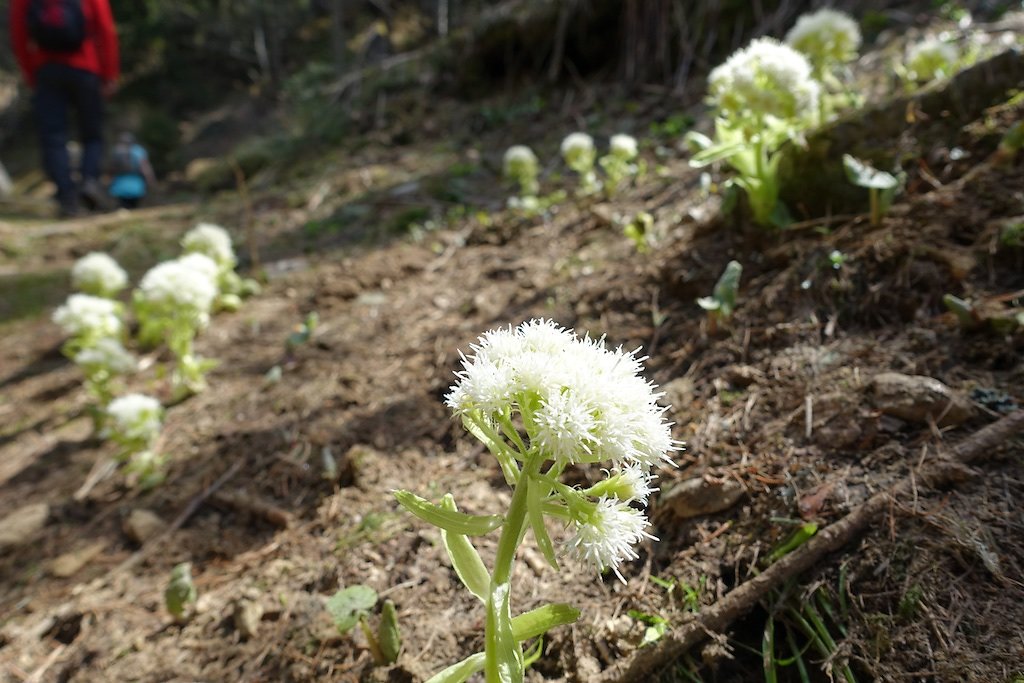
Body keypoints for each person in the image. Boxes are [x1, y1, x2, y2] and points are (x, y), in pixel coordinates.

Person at [9, 0, 120, 217]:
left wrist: (31, 73)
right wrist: (110, 74)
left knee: (53, 137)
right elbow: (105, 29)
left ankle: (66, 197)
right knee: (92, 134)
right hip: (87, 67)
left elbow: (19, 35)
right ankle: (89, 181)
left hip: (46, 69)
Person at [108, 132, 156, 209]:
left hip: (119, 185)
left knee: (123, 206)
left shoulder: (116, 150)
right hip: (136, 185)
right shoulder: (138, 150)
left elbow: (111, 168)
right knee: (134, 207)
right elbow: (145, 168)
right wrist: (150, 180)